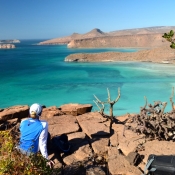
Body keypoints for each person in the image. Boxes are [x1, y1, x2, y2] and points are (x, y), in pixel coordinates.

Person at [19, 103, 54, 168]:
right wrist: (47, 160)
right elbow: (42, 144)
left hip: (20, 149)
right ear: (40, 113)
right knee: (47, 135)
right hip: (31, 153)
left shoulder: (22, 122)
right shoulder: (43, 125)